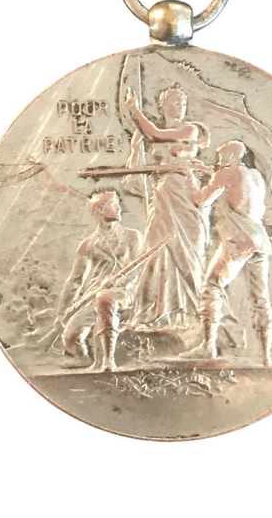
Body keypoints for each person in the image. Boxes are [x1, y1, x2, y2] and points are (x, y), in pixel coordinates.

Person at [182, 140, 272, 365]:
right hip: (259, 240)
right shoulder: (255, 175)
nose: (218, 158)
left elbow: (200, 200)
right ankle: (266, 356)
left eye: (222, 153)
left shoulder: (225, 173)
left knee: (211, 287)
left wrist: (189, 175)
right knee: (261, 298)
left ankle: (208, 346)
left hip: (238, 240)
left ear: (234, 154)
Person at [124, 87, 211, 329]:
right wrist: (136, 145)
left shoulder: (189, 129)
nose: (179, 107)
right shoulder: (155, 132)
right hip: (163, 191)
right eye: (173, 103)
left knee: (187, 250)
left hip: (185, 192)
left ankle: (197, 313)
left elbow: (156, 134)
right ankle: (152, 312)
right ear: (162, 107)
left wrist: (134, 110)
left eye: (182, 103)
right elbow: (146, 145)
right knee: (157, 247)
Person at [52, 190, 142, 371]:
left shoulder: (132, 236)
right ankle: (82, 358)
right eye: (114, 204)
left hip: (125, 291)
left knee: (105, 299)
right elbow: (75, 280)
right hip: (93, 294)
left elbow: (139, 269)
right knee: (70, 336)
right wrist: (62, 312)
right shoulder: (88, 244)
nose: (120, 208)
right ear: (100, 210)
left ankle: (108, 359)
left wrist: (118, 282)